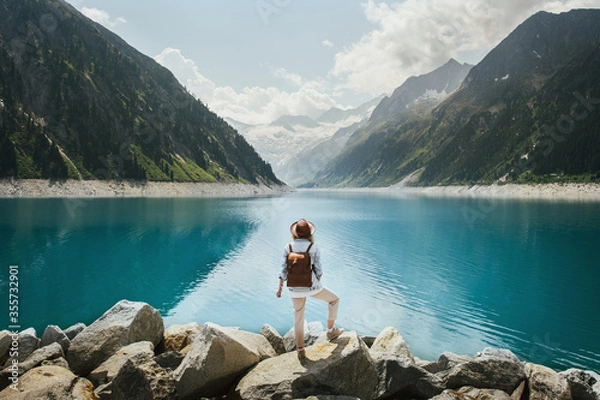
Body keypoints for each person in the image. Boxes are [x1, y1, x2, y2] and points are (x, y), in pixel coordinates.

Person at [276, 218, 343, 359]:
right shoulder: (313, 247)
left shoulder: (287, 247)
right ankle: (331, 330)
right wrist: (317, 278)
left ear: (295, 233)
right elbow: (318, 270)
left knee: (298, 317)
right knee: (334, 300)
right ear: (309, 234)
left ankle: (300, 350)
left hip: (293, 288)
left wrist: (280, 287)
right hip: (312, 286)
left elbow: (283, 270)